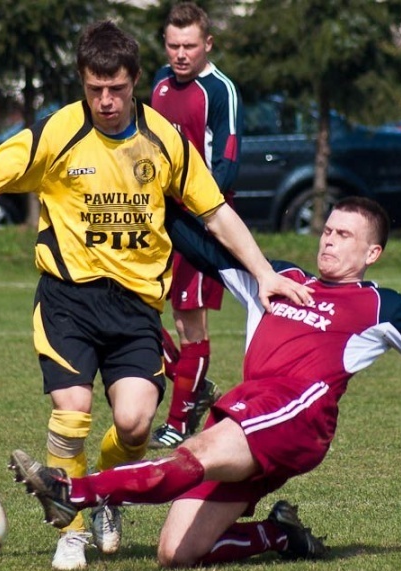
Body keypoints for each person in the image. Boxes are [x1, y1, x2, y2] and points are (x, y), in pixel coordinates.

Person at [0, 20, 311, 571]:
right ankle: (73, 528)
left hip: (136, 307)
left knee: (135, 424)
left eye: (115, 89)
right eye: (94, 89)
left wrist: (262, 274)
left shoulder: (162, 139)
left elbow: (214, 211)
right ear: (82, 83)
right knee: (73, 412)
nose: (105, 101)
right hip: (67, 300)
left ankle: (107, 491)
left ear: (135, 81)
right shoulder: (58, 131)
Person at [9, 196, 401, 568]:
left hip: (295, 416)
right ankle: (281, 538)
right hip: (257, 416)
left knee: (196, 451)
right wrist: (151, 195)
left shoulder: (382, 306)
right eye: (327, 230)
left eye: (345, 236)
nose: (329, 241)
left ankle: (73, 493)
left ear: (373, 252)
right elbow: (201, 246)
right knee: (174, 554)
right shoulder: (277, 279)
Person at [148, 2, 244, 449]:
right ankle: (196, 386)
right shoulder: (159, 85)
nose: (180, 54)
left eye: (189, 45)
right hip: (156, 216)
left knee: (190, 325)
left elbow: (227, 157)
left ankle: (179, 420)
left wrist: (203, 211)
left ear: (207, 44)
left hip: (197, 223)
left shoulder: (220, 90)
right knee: (137, 308)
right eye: (173, 45)